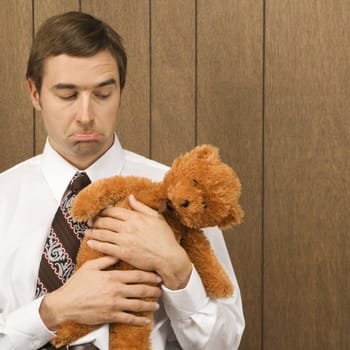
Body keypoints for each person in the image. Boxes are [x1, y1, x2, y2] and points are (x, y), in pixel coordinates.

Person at [0, 11, 245, 350]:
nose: (85, 115)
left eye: (102, 94)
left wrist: (177, 269)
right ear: (35, 93)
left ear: (121, 91)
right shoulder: (3, 199)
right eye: (67, 95)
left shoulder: (178, 195)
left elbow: (226, 343)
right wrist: (53, 310)